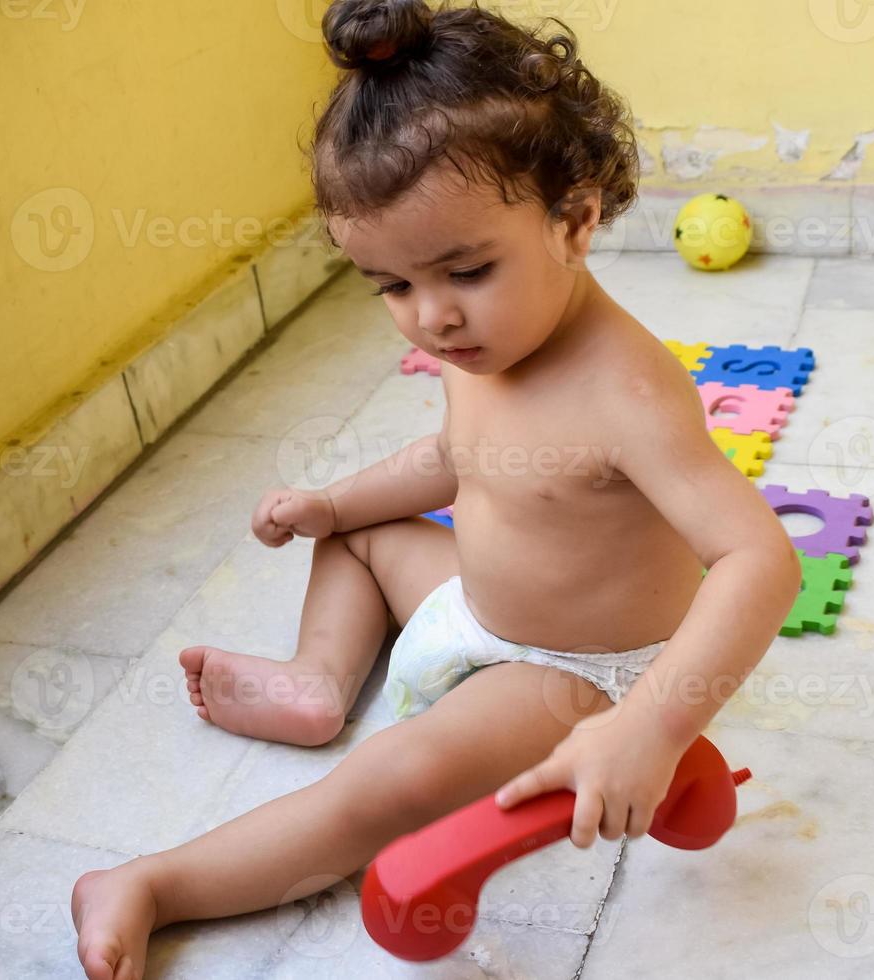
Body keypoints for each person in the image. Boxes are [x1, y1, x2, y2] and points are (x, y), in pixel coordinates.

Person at [72, 2, 801, 976]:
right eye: (391, 285)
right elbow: (461, 458)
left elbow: (760, 557)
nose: (432, 317)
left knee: (389, 780)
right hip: (479, 608)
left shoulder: (626, 391)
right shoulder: (482, 335)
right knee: (362, 533)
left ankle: (154, 881)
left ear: (575, 220)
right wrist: (335, 503)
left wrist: (649, 725)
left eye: (464, 269)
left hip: (578, 675)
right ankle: (317, 680)